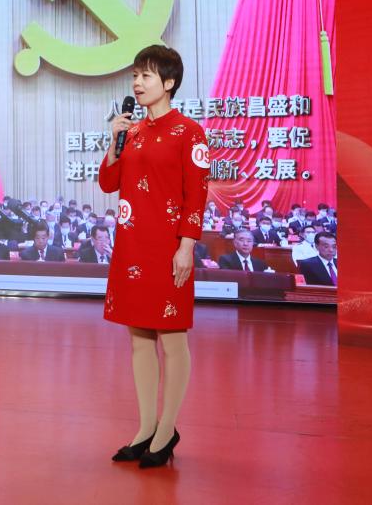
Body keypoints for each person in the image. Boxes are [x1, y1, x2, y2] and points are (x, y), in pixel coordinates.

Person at [100, 45, 208, 468]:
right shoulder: (132, 131)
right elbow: (109, 182)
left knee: (173, 339)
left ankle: (167, 430)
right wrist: (114, 143)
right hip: (132, 246)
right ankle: (145, 428)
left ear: (169, 82)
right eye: (135, 76)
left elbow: (196, 194)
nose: (137, 83)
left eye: (146, 75)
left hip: (168, 249)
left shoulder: (189, 132)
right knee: (139, 339)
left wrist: (186, 246)